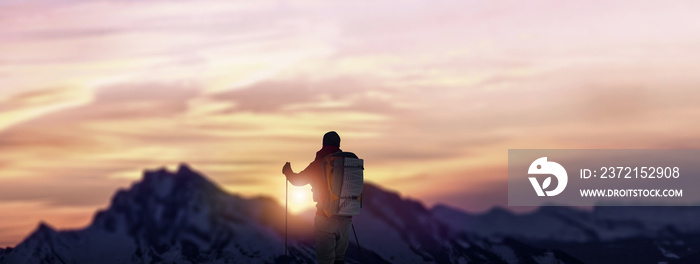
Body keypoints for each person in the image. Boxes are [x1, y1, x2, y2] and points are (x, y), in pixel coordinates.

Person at [282, 131, 352, 264]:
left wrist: (287, 172)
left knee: (326, 261)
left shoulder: (318, 164)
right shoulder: (347, 164)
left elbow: (297, 181)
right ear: (338, 144)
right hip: (346, 219)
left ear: (323, 144)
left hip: (325, 218)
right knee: (339, 260)